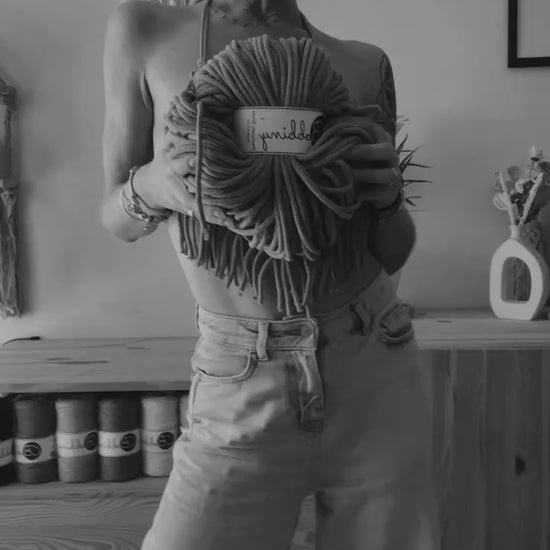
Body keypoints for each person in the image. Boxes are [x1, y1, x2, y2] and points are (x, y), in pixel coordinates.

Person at [101, 0, 441, 548]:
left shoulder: (364, 62)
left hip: (373, 365)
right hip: (241, 375)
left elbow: (393, 251)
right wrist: (154, 185)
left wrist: (387, 202)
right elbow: (114, 214)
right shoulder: (145, 28)